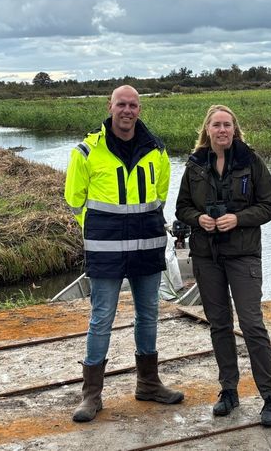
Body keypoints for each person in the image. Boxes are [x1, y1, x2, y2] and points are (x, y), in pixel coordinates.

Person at [65, 85, 184, 423]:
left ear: (139, 110)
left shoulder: (156, 151)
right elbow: (75, 200)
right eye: (121, 104)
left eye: (133, 105)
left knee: (148, 315)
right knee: (101, 318)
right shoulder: (87, 152)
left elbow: (159, 197)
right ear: (110, 107)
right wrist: (101, 229)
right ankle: (92, 395)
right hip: (106, 250)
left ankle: (148, 383)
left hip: (147, 247)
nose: (127, 110)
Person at [175, 104, 271, 427]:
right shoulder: (195, 165)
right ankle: (229, 392)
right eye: (216, 125)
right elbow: (181, 207)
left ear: (235, 130)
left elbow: (270, 205)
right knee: (219, 324)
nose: (222, 130)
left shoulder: (251, 162)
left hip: (243, 255)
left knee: (252, 325)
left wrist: (238, 218)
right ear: (207, 130)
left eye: (227, 125)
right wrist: (199, 219)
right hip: (207, 257)